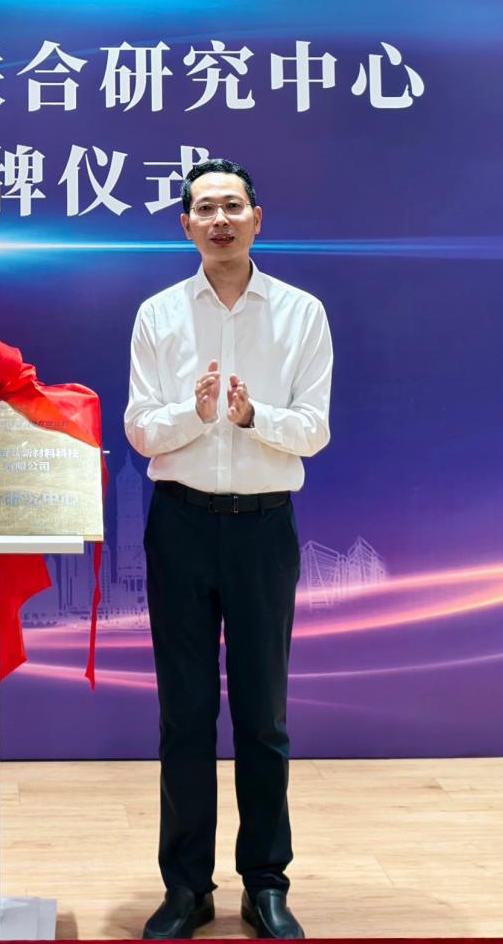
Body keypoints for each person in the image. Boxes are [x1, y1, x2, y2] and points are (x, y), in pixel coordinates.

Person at [124, 158, 333, 941]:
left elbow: (314, 429)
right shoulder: (158, 315)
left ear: (257, 219)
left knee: (262, 716)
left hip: (262, 529)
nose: (220, 220)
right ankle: (186, 887)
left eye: (233, 207)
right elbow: (141, 428)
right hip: (179, 524)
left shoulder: (302, 313)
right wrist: (196, 411)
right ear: (185, 225)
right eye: (205, 209)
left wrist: (250, 419)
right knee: (183, 716)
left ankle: (265, 883)